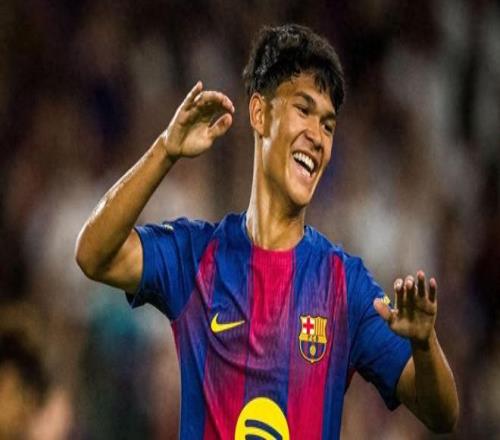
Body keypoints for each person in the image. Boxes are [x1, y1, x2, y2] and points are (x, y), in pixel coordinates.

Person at [76, 24, 458, 439]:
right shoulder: (197, 257)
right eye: (304, 110)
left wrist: (425, 344)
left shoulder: (344, 286)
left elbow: (442, 415)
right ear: (259, 113)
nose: (317, 137)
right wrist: (166, 149)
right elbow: (93, 255)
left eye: (328, 126)